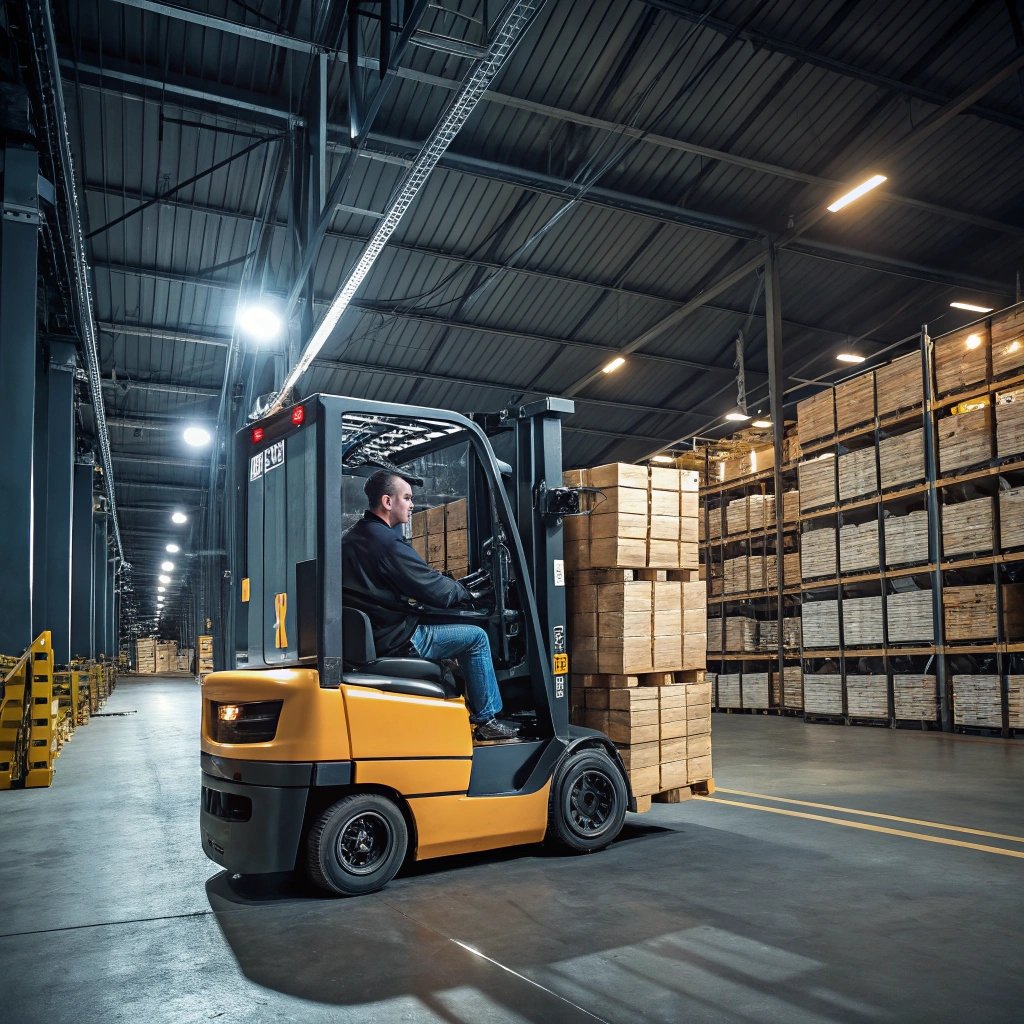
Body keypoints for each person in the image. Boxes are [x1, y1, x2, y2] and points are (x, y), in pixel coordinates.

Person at [342, 470, 519, 741]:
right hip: (397, 637)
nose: (412, 504)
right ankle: (487, 719)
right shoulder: (387, 543)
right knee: (476, 638)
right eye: (407, 498)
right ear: (388, 502)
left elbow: (406, 581)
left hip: (374, 632)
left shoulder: (352, 537)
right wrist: (466, 592)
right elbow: (432, 588)